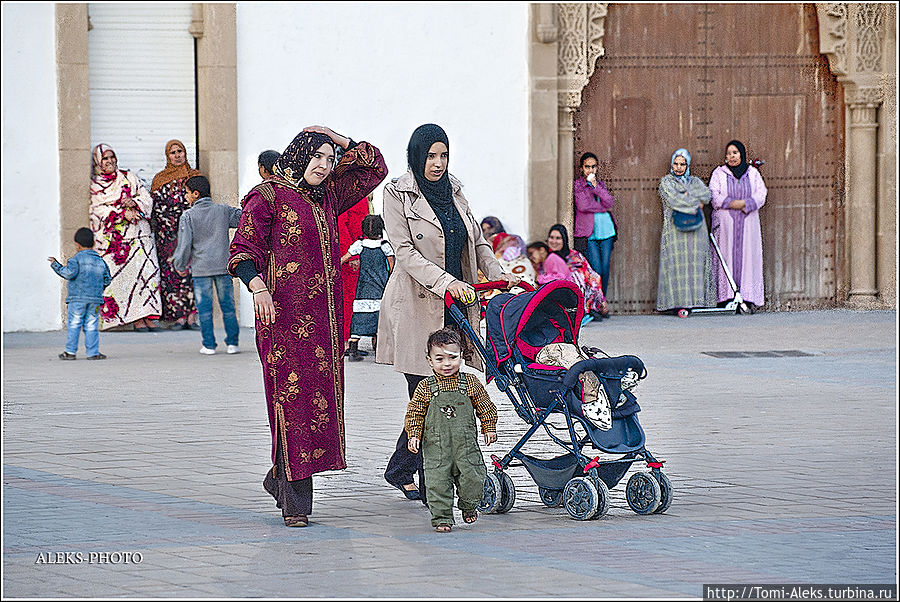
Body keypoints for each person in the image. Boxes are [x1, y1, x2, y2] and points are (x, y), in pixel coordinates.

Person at [228, 126, 388, 527]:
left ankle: (280, 479)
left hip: (325, 324)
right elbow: (243, 250)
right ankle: (296, 503)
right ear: (299, 155)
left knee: (319, 406)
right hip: (281, 320)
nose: (324, 165)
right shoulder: (266, 197)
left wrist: (340, 139)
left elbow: (374, 167)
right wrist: (258, 287)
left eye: (329, 159)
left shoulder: (328, 195)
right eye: (316, 156)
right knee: (290, 402)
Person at [377, 123, 518, 504]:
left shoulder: (455, 191)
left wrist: (499, 273)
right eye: (430, 155)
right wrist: (445, 283)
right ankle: (431, 487)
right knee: (426, 395)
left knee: (441, 391)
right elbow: (404, 253)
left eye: (443, 155)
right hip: (417, 306)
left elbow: (477, 241)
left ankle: (401, 468)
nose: (437, 163)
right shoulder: (396, 194)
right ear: (416, 155)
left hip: (457, 305)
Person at [405, 327, 497, 532]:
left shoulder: (470, 383)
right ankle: (442, 518)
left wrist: (488, 426)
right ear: (429, 360)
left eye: (452, 358)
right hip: (436, 448)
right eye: (439, 359)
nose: (447, 364)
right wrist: (413, 434)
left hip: (466, 446)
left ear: (461, 356)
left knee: (474, 478)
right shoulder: (425, 387)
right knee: (437, 483)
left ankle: (468, 506)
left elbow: (485, 405)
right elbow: (415, 412)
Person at [89, 143, 162, 332]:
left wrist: (135, 203)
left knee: (146, 274)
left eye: (112, 157)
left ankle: (148, 315)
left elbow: (147, 198)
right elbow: (97, 210)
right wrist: (122, 212)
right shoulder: (96, 185)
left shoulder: (129, 177)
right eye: (105, 158)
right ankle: (136, 319)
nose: (110, 161)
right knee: (127, 280)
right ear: (98, 161)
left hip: (141, 237)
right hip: (118, 243)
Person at [172, 175, 242, 355]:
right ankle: (232, 344)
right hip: (222, 266)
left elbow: (184, 244)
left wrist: (180, 265)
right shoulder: (223, 211)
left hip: (201, 269)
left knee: (204, 309)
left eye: (187, 193)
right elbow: (243, 218)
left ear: (195, 194)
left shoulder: (188, 216)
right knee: (228, 306)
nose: (185, 196)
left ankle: (209, 345)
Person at [709, 140, 767, 310]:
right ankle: (726, 297)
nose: (731, 156)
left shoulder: (752, 174)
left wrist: (745, 204)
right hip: (726, 227)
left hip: (748, 226)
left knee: (748, 258)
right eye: (729, 153)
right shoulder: (719, 173)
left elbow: (761, 194)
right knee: (726, 257)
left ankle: (748, 297)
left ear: (741, 154)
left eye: (735, 152)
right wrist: (734, 204)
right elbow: (714, 196)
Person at [656, 148, 716, 314]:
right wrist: (695, 203)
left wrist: (688, 195)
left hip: (697, 232)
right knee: (677, 266)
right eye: (676, 163)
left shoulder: (695, 181)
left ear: (688, 165)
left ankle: (697, 303)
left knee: (695, 265)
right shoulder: (666, 182)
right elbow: (674, 200)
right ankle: (677, 305)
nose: (679, 167)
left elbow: (707, 195)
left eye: (683, 164)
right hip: (675, 231)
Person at [150, 139, 201, 330]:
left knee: (191, 273)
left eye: (180, 151)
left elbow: (202, 202)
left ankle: (191, 317)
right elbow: (155, 207)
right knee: (172, 274)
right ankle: (177, 317)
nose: (177, 155)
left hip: (192, 234)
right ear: (167, 156)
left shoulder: (195, 177)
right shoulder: (160, 179)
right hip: (168, 236)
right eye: (173, 152)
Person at [48, 227, 112, 360]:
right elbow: (107, 279)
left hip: (77, 299)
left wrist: (56, 265)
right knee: (91, 325)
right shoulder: (101, 261)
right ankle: (93, 353)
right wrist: (99, 288)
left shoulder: (75, 260)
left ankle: (70, 352)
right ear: (93, 243)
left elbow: (68, 273)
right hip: (95, 299)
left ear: (77, 245)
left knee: (74, 324)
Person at [340, 214, 394, 361]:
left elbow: (344, 258)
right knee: (379, 317)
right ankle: (379, 350)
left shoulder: (359, 245)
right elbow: (391, 266)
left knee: (359, 316)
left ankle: (352, 349)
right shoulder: (385, 245)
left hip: (363, 287)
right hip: (380, 287)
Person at [572, 152, 616, 300]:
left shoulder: (600, 185)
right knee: (595, 269)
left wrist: (596, 186)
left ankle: (602, 302)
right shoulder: (578, 185)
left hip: (607, 232)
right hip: (588, 233)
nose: (590, 170)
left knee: (604, 269)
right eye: (587, 167)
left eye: (593, 167)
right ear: (581, 169)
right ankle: (594, 303)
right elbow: (583, 205)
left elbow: (609, 202)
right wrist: (601, 207)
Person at [548, 224, 608, 322]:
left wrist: (601, 300)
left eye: (558, 238)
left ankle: (591, 307)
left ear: (564, 240)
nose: (554, 241)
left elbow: (590, 274)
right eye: (551, 238)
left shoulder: (574, 256)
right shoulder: (544, 255)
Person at [338, 194, 373, 354]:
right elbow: (340, 225)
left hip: (361, 251)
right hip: (351, 256)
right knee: (347, 299)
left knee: (354, 300)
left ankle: (349, 341)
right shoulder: (349, 195)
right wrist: (351, 255)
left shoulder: (362, 196)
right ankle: (344, 342)